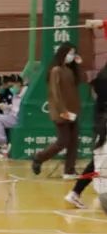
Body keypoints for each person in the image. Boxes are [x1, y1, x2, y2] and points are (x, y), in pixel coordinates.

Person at [31, 42, 84, 181]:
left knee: (73, 142)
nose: (72, 56)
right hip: (62, 112)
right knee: (63, 141)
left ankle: (69, 170)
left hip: (73, 111)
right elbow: (55, 94)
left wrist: (79, 64)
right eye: (70, 53)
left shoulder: (70, 70)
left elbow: (82, 80)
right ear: (62, 53)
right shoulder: (56, 70)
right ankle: (39, 157)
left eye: (74, 53)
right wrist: (63, 111)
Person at [65, 59, 107, 208]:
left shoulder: (99, 80)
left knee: (97, 162)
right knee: (98, 163)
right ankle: (76, 192)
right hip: (104, 125)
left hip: (100, 125)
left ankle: (75, 192)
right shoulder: (102, 82)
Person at [0, 72, 23, 157]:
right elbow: (13, 108)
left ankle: (3, 146)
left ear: (19, 84)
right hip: (12, 116)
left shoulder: (24, 93)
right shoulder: (14, 94)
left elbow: (18, 109)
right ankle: (2, 146)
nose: (11, 88)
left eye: (12, 86)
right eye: (11, 86)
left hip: (20, 118)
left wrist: (7, 108)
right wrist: (6, 108)